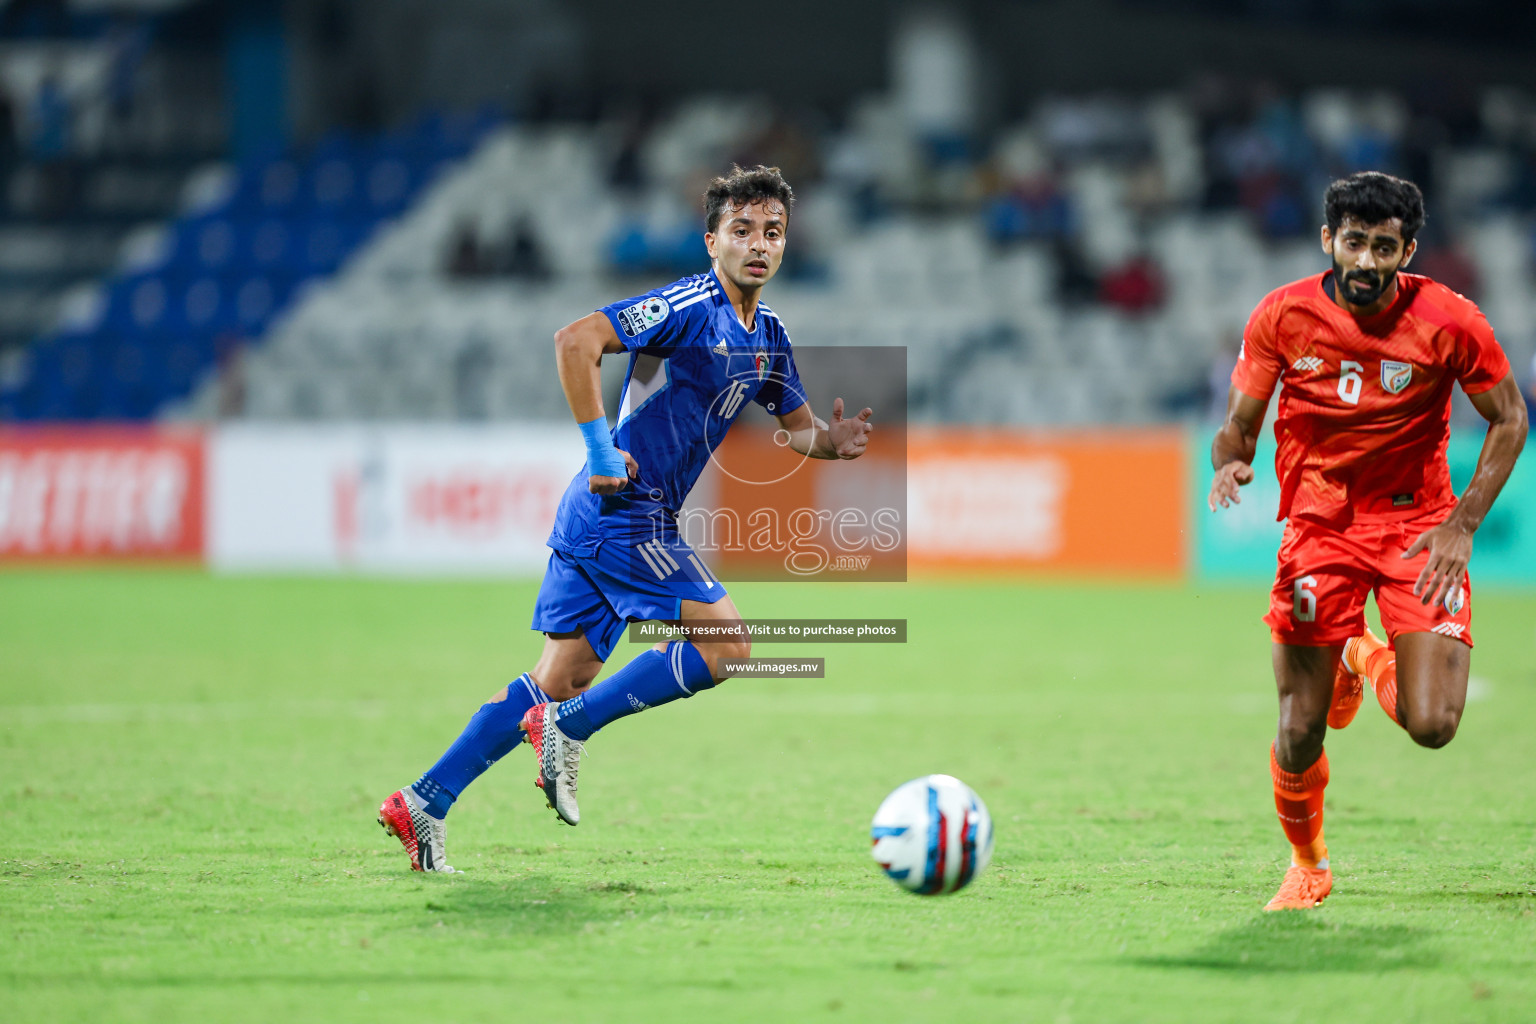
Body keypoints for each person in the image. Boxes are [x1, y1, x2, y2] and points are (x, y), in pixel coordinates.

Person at [379, 165, 875, 872]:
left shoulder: (767, 335)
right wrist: (599, 446)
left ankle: (423, 800)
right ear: (711, 242)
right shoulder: (687, 304)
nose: (758, 245)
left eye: (773, 232)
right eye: (741, 231)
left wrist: (832, 443)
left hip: (603, 516)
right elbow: (575, 341)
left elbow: (796, 429)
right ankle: (567, 731)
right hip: (623, 510)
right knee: (728, 648)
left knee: (559, 675)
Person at [1209, 171, 1527, 911]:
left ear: (1407, 251)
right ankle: (1309, 863)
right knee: (1298, 730)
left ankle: (1361, 650)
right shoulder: (1282, 316)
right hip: (1320, 528)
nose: (1366, 261)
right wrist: (1231, 459)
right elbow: (1240, 423)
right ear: (1329, 241)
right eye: (1354, 242)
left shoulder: (1451, 321)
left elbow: (1510, 418)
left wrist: (1462, 522)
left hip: (1420, 529)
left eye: (1385, 247)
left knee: (1434, 725)